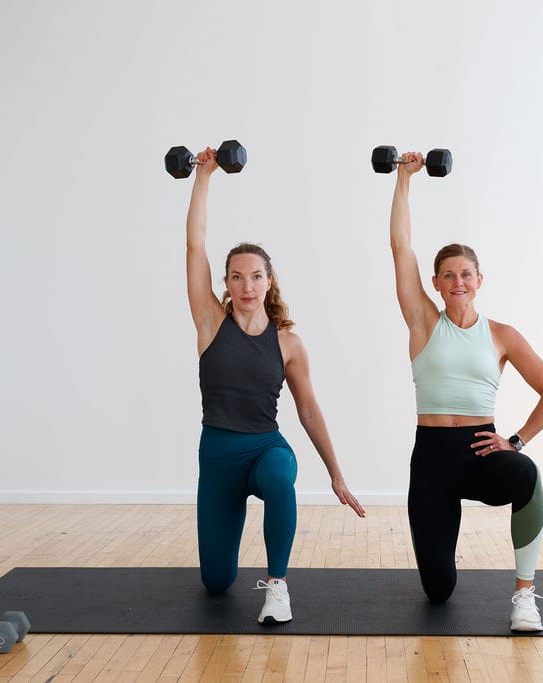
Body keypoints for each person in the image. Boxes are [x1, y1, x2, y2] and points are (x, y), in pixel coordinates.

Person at [185, 145, 365, 625]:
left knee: (282, 478)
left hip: (266, 448)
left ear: (269, 281)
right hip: (218, 456)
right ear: (225, 282)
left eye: (256, 276)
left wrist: (336, 473)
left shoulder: (288, 344)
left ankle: (278, 587)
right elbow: (195, 245)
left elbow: (308, 410)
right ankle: (230, 567)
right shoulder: (209, 323)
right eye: (238, 277)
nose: (247, 285)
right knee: (217, 582)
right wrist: (205, 175)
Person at [387, 152, 543, 632]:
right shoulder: (424, 322)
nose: (457, 281)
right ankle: (444, 557)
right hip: (431, 457)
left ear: (479, 280)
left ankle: (525, 595)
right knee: (438, 590)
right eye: (448, 275)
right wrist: (404, 179)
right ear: (436, 284)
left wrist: (517, 440)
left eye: (466, 274)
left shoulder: (502, 335)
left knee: (526, 474)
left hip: (481, 449)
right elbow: (401, 247)